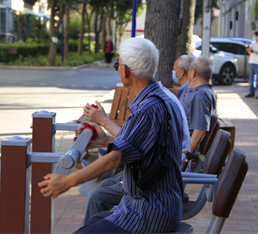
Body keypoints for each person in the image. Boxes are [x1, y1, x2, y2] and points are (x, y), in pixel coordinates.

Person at [39, 37, 185, 233]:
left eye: (118, 64)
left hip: (148, 212)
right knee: (93, 220)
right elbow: (142, 144)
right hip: (153, 204)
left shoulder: (149, 108)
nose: (118, 68)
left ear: (125, 70)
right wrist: (106, 140)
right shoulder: (160, 98)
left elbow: (114, 160)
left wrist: (66, 181)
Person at [180, 56, 217, 153]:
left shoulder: (201, 95)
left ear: (193, 73)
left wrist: (183, 158)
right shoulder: (203, 92)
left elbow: (200, 131)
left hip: (181, 150)